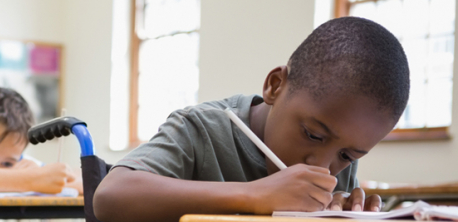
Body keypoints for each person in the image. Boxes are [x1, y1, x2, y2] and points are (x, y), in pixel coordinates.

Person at [94, 17, 410, 222]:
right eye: (313, 135)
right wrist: (256, 195)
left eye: (347, 156)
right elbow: (111, 197)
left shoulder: (338, 160)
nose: (322, 166)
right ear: (275, 86)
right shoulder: (201, 128)